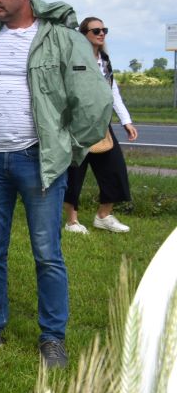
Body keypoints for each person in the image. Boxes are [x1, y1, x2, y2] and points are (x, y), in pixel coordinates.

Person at [0, 0, 111, 368]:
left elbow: (93, 99)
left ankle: (52, 337)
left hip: (38, 160)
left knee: (47, 253)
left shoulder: (61, 39)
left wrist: (70, 147)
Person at [63, 17, 139, 234]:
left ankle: (104, 216)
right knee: (75, 172)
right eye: (95, 30)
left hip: (102, 125)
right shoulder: (75, 59)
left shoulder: (105, 60)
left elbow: (112, 92)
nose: (101, 33)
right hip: (78, 125)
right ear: (83, 34)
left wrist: (126, 121)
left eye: (104, 29)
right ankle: (72, 221)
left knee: (115, 170)